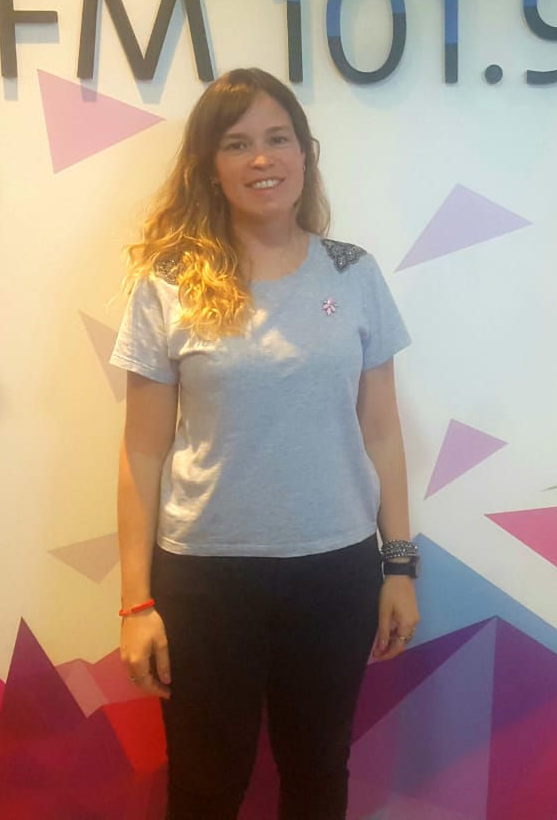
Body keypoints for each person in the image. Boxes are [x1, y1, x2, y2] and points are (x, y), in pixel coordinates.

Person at [110, 67, 419, 820]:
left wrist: (399, 566)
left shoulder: (354, 273)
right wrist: (135, 602)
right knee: (205, 787)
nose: (261, 159)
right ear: (209, 166)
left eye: (278, 138)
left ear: (305, 153)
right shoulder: (169, 282)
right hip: (205, 578)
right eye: (236, 144)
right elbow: (141, 452)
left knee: (318, 775)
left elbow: (382, 431)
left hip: (335, 572)